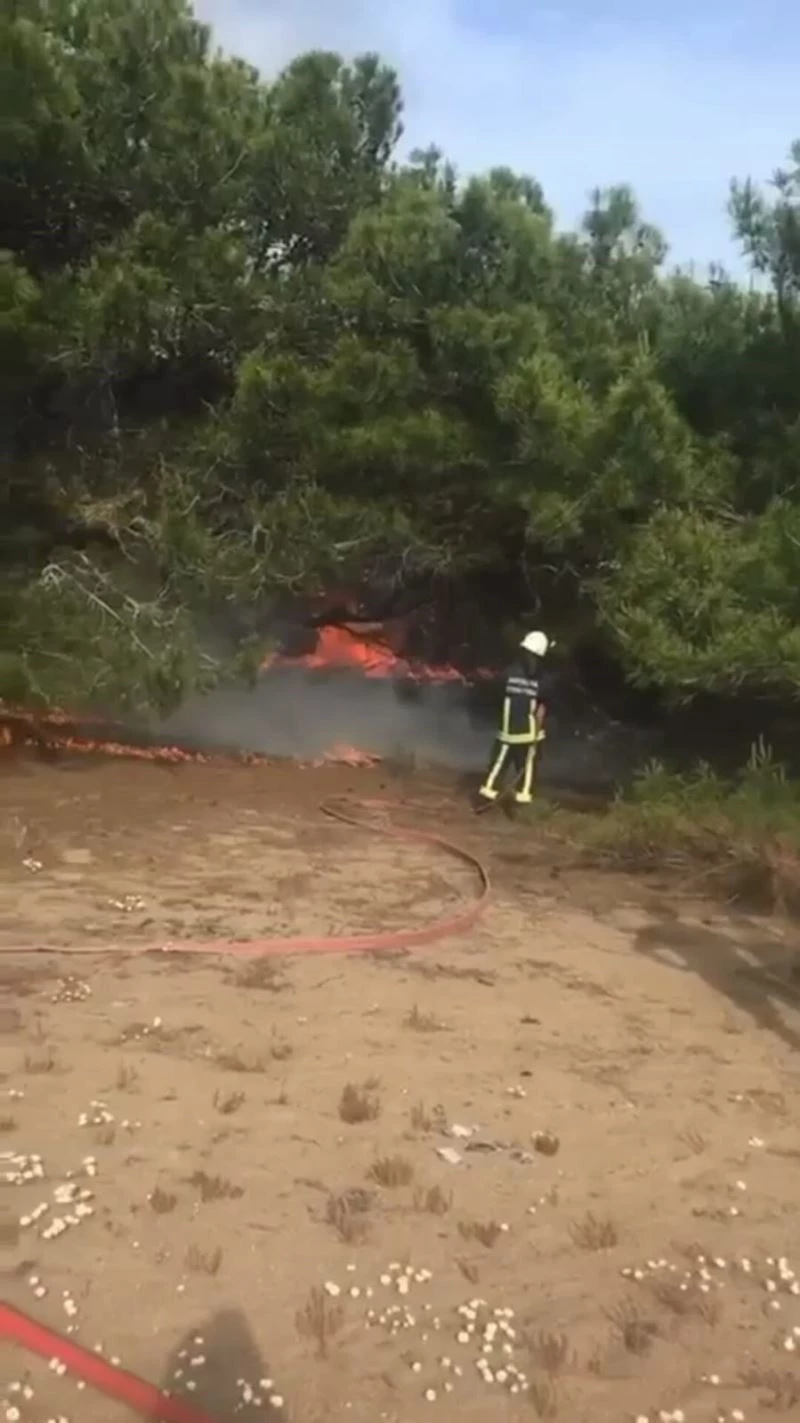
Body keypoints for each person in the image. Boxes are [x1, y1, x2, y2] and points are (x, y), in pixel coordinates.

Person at [477, 630, 550, 807]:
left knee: (508, 765)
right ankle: (515, 800)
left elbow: (496, 695)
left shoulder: (510, 674)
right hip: (521, 733)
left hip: (516, 732)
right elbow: (542, 707)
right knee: (522, 767)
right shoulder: (540, 679)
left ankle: (494, 797)